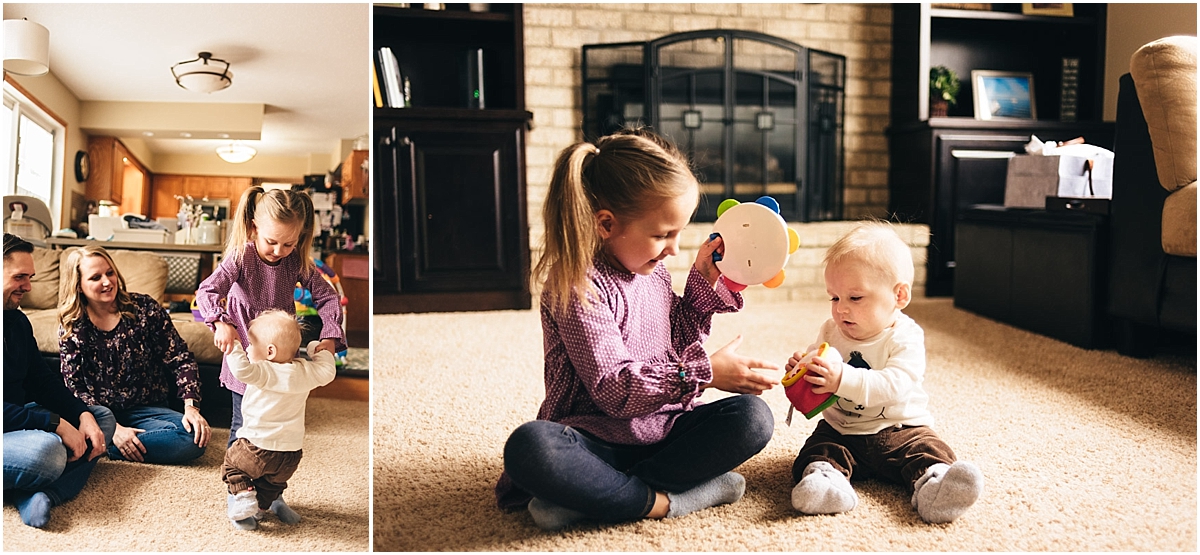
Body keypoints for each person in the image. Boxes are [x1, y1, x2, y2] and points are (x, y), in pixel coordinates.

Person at [496, 128, 780, 532]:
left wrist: (701, 284)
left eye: (679, 233)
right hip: (595, 441)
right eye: (663, 235)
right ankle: (666, 501)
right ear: (606, 225)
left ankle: (594, 500)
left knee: (752, 417)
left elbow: (678, 343)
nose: (674, 249)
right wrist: (707, 372)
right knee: (531, 448)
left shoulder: (654, 272)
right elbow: (616, 390)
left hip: (663, 430)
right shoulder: (576, 286)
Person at [786, 221, 984, 524]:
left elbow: (895, 385)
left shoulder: (905, 336)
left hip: (901, 429)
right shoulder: (830, 330)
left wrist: (842, 378)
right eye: (834, 297)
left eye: (855, 298)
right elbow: (821, 376)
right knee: (818, 451)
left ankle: (935, 487)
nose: (840, 309)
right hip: (842, 431)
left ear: (899, 296)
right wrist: (805, 372)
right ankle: (826, 482)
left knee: (930, 449)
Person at [196, 186, 345, 517]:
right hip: (246, 360)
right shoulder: (240, 257)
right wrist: (220, 322)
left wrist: (331, 335)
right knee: (243, 429)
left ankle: (270, 493)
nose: (279, 250)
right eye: (271, 241)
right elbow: (207, 291)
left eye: (288, 243)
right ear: (253, 228)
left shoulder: (296, 261)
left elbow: (328, 296)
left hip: (284, 360)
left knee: (282, 429)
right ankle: (239, 494)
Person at [58, 245, 210, 464]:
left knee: (192, 438)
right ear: (79, 286)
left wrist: (191, 408)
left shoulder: (144, 308)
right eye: (95, 277)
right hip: (100, 415)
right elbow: (74, 387)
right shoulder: (72, 326)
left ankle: (103, 446)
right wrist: (113, 429)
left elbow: (180, 358)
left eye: (110, 273)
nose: (107, 282)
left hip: (149, 411)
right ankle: (110, 440)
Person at [3, 233, 115, 528]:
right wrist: (54, 423)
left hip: (13, 425)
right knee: (48, 454)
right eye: (19, 277)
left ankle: (41, 493)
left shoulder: (16, 320)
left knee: (100, 419)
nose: (28, 287)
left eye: (30, 277)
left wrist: (80, 414)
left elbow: (42, 381)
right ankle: (37, 484)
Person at [221, 310, 335, 531]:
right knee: (271, 484)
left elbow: (240, 370)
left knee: (232, 465)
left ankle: (244, 499)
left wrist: (232, 345)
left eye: (250, 345)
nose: (247, 349)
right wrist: (317, 350)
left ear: (270, 352)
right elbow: (328, 372)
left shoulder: (264, 371)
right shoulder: (305, 371)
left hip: (256, 447)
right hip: (290, 454)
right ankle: (263, 506)